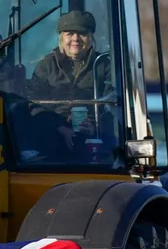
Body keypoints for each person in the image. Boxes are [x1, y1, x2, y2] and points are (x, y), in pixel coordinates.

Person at [26, 10, 118, 158]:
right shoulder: (46, 66)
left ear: (91, 38)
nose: (76, 39)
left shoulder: (104, 65)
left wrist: (94, 125)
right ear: (61, 39)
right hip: (50, 141)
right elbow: (34, 105)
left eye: (82, 33)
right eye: (69, 34)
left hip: (94, 143)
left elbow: (113, 104)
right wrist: (60, 127)